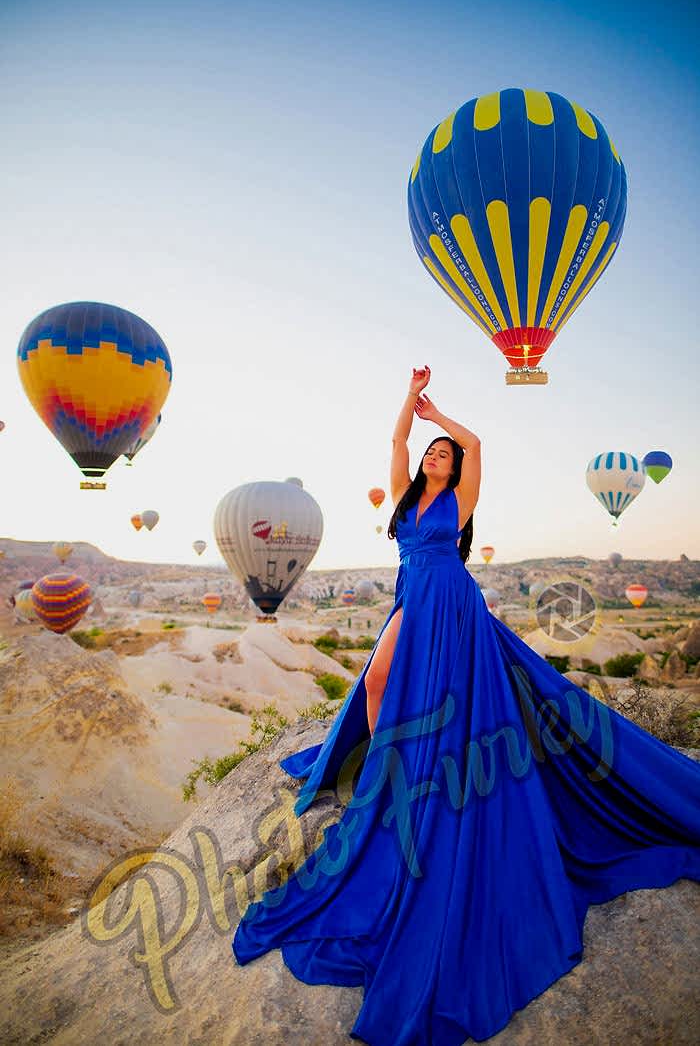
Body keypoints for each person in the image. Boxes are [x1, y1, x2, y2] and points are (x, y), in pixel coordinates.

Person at [232, 367, 700, 1046]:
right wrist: (409, 407)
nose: (436, 456)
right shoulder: (403, 497)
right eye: (432, 453)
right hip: (411, 599)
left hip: (452, 603)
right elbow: (395, 441)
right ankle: (385, 753)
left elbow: (476, 443)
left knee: (452, 699)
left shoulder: (461, 497)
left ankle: (422, 758)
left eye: (443, 456)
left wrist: (443, 414)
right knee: (377, 679)